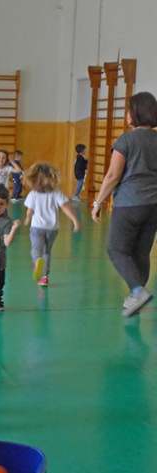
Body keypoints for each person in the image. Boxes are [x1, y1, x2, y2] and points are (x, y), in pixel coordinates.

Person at [92, 91, 157, 317]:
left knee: (116, 249)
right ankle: (135, 298)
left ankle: (138, 291)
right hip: (153, 206)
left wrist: (97, 202)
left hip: (129, 203)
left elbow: (112, 175)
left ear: (135, 113)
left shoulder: (126, 140)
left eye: (129, 110)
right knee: (140, 254)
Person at [24, 163, 80, 286]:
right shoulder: (56, 193)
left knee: (35, 249)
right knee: (47, 252)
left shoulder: (33, 194)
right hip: (52, 228)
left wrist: (27, 219)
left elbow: (30, 210)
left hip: (37, 227)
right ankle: (44, 277)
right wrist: (75, 221)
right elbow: (66, 208)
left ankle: (37, 262)